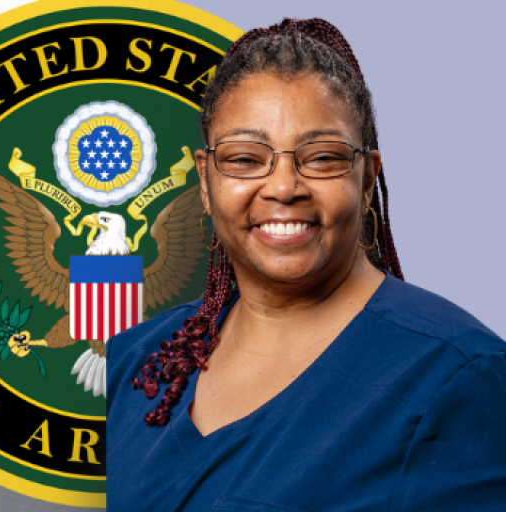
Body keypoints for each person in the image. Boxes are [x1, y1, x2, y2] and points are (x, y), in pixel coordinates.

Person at [105, 18, 506, 511]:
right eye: (246, 159)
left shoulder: (458, 376)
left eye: (321, 158)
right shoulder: (139, 363)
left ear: (366, 181)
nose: (283, 186)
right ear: (206, 182)